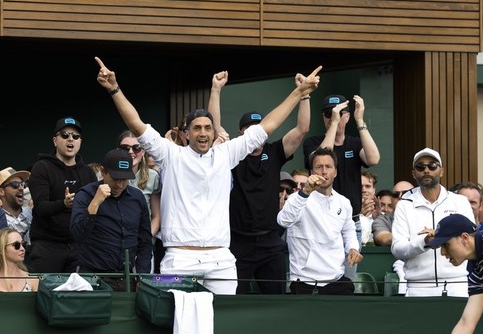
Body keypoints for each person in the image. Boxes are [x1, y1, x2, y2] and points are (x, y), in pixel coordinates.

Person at [95, 56, 321, 295]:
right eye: (196, 128)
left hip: (220, 259)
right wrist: (114, 89)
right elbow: (136, 123)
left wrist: (299, 92)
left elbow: (268, 126)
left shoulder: (226, 154)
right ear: (187, 133)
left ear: (214, 132)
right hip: (180, 258)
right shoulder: (170, 154)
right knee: (178, 316)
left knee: (224, 316)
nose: (202, 133)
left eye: (207, 128)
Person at [208, 70, 311, 295]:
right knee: (236, 301)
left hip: (270, 240)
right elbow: (215, 128)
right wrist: (216, 89)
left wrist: (304, 94)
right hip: (238, 242)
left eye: (259, 128)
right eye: (249, 129)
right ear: (241, 133)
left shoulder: (275, 152)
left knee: (276, 301)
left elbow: (302, 129)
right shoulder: (233, 154)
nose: (255, 133)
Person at [278, 145, 362, 294]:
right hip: (304, 281)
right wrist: (305, 192)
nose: (324, 171)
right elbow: (283, 221)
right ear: (312, 172)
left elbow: (349, 231)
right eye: (319, 167)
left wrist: (352, 248)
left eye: (328, 167)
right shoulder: (297, 198)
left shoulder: (344, 202)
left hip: (336, 279)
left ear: (335, 172)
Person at [390, 148, 474, 297]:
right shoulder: (404, 205)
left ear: (441, 171)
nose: (426, 170)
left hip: (456, 283)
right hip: (417, 286)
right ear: (414, 173)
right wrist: (425, 242)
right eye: (420, 167)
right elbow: (397, 249)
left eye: (432, 166)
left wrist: (443, 238)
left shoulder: (459, 202)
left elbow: (470, 240)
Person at [302, 94, 381, 245]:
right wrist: (334, 123)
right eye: (329, 114)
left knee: (351, 260)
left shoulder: (354, 143)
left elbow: (373, 159)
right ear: (323, 118)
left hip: (351, 221)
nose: (334, 117)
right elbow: (322, 156)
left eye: (338, 113)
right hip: (321, 220)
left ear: (347, 116)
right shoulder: (312, 142)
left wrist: (360, 120)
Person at [71, 149, 153, 291]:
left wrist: (142, 277)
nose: (120, 185)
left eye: (125, 179)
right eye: (115, 179)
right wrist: (95, 203)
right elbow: (77, 234)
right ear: (103, 173)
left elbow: (145, 242)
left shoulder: (137, 197)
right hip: (93, 278)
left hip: (127, 278)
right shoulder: (86, 195)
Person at [27, 116, 99, 274]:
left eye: (75, 136)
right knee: (46, 288)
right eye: (65, 135)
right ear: (55, 140)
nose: (70, 139)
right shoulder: (42, 167)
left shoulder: (87, 172)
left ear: (80, 141)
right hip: (48, 245)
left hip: (79, 246)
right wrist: (64, 204)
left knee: (80, 289)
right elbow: (40, 207)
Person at [0, 227, 39, 293]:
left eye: (23, 244)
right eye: (16, 245)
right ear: (1, 249)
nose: (22, 249)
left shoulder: (32, 279)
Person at [0, 167, 33, 245]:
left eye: (22, 184)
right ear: (1, 191)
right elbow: (8, 240)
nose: (21, 188)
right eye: (15, 185)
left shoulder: (31, 212)